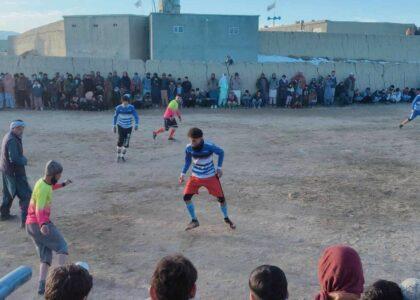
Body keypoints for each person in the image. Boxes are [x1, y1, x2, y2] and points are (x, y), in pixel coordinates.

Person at [26, 160, 72, 295]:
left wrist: (63, 184)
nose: (59, 177)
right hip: (39, 224)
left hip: (30, 226)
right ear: (52, 175)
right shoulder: (44, 188)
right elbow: (39, 210)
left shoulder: (41, 182)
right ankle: (61, 281)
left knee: (45, 256)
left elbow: (51, 187)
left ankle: (41, 285)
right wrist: (43, 225)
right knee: (62, 247)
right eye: (58, 176)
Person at [179, 127, 236, 230]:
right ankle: (194, 220)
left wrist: (219, 168)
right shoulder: (188, 148)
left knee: (221, 199)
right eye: (190, 140)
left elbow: (221, 152)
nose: (192, 143)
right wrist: (182, 173)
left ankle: (226, 218)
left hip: (210, 177)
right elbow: (187, 161)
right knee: (186, 198)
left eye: (194, 140)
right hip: (195, 177)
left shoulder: (209, 146)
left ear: (201, 138)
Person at [0, 120, 32, 227]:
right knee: (26, 196)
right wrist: (24, 160)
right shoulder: (12, 140)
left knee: (8, 193)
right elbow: (14, 159)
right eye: (18, 128)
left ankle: (4, 214)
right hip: (15, 173)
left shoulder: (9, 136)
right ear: (13, 128)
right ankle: (26, 221)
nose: (21, 130)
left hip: (6, 170)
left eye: (22, 128)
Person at [112, 94, 139, 162]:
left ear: (128, 101)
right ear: (122, 101)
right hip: (120, 126)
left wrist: (136, 124)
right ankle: (118, 155)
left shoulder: (131, 108)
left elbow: (136, 116)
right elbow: (115, 117)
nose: (125, 102)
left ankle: (122, 156)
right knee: (120, 141)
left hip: (129, 127)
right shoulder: (118, 108)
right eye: (124, 101)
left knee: (126, 142)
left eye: (126, 101)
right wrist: (114, 126)